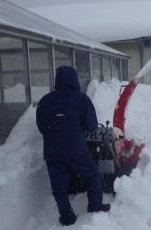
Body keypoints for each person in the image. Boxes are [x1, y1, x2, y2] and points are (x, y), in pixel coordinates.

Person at [36, 66, 110, 226]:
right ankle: (95, 206)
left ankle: (67, 217)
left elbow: (41, 126)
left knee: (59, 186)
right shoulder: (81, 99)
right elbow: (91, 126)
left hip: (52, 150)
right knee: (91, 174)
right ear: (74, 80)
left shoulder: (45, 100)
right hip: (76, 149)